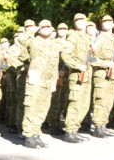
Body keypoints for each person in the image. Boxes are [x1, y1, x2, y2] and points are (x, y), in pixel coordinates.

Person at [20, 20, 60, 148]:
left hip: (48, 80)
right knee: (32, 106)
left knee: (43, 108)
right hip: (36, 79)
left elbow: (55, 64)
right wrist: (32, 30)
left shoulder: (54, 44)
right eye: (43, 27)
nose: (46, 29)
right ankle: (28, 135)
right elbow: (21, 40)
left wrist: (54, 79)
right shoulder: (34, 41)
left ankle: (36, 134)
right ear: (39, 29)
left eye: (48, 27)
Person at [61, 13, 94, 143]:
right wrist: (78, 66)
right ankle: (69, 132)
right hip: (77, 75)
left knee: (84, 105)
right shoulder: (72, 37)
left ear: (86, 22)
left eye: (82, 20)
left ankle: (75, 129)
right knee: (75, 103)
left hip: (87, 75)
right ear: (74, 23)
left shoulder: (88, 38)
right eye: (77, 21)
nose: (80, 22)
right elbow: (65, 55)